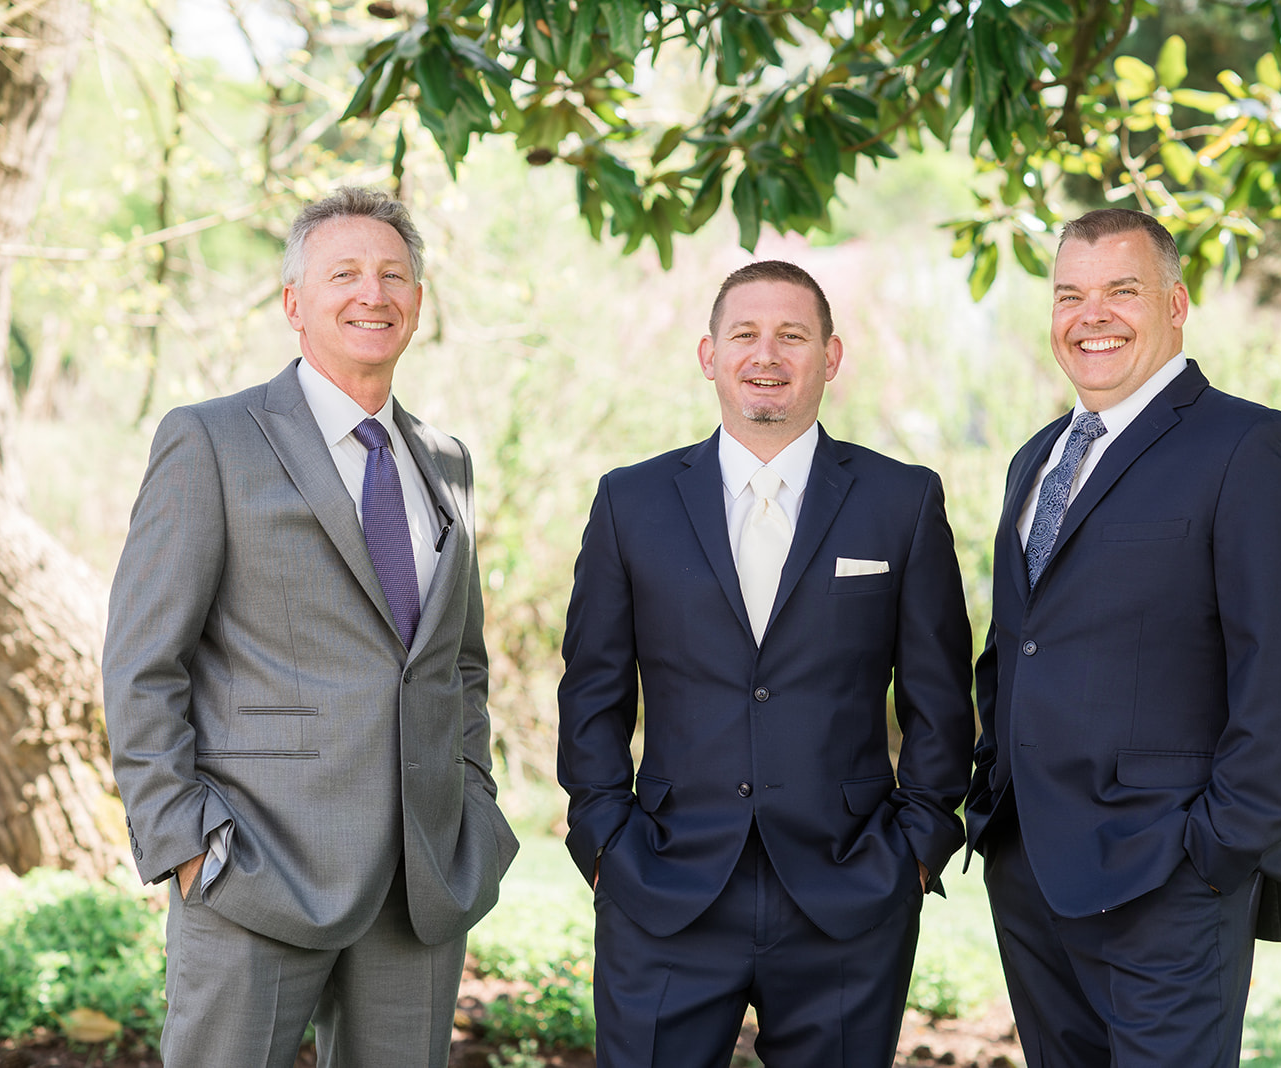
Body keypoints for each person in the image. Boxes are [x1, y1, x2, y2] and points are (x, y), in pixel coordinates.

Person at [103, 186, 518, 1068]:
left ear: (416, 301)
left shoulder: (446, 461)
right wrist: (184, 842)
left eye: (394, 275)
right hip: (254, 870)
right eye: (345, 273)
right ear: (294, 302)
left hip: (422, 882)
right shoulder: (211, 441)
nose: (373, 293)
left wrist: (471, 801)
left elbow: (459, 665)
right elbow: (143, 664)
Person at [557, 259, 974, 1067]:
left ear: (832, 355)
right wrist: (604, 838)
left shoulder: (903, 500)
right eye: (744, 334)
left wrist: (917, 846)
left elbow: (939, 697)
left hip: (850, 892)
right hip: (665, 886)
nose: (767, 354)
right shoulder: (630, 501)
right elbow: (593, 692)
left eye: (792, 335)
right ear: (709, 354)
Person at [964, 207, 1281, 1066]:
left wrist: (1217, 851)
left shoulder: (1250, 446)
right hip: (1030, 871)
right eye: (1069, 295)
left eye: (1120, 291)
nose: (1090, 315)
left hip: (1167, 876)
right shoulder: (1039, 458)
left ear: (1175, 304)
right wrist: (991, 802)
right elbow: (1018, 645)